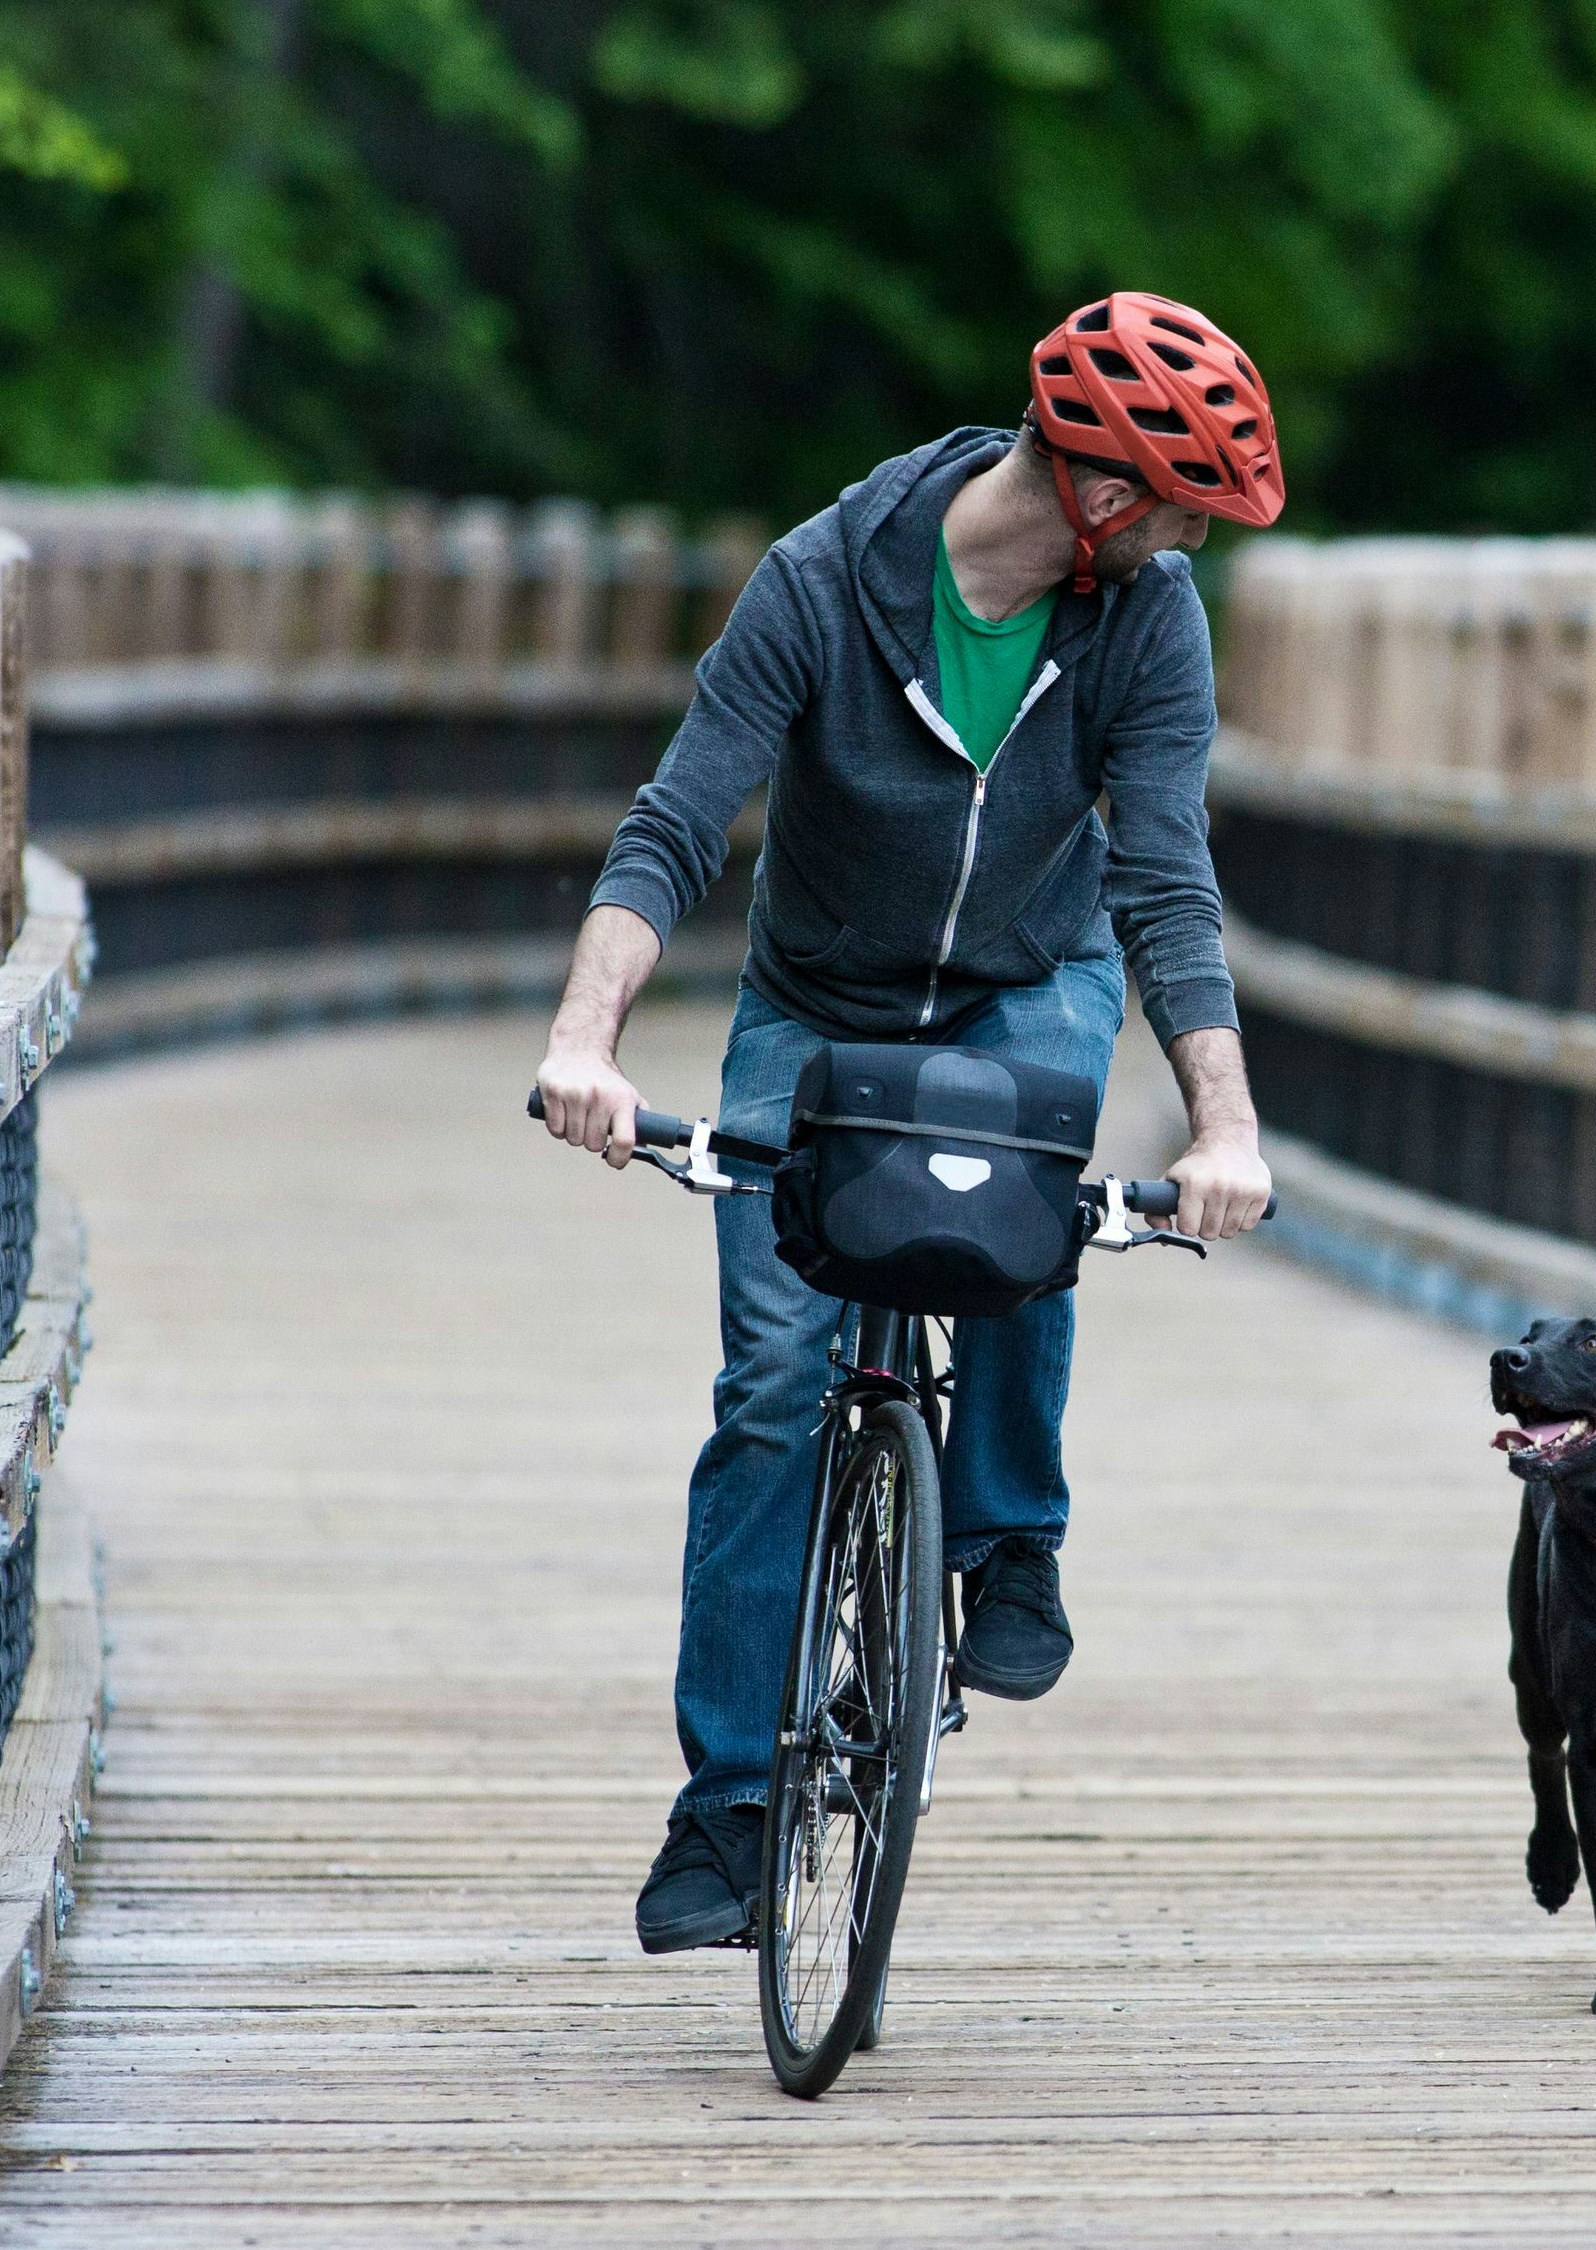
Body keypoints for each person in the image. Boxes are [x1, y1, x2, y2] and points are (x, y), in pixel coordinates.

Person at [532, 291, 1285, 1954]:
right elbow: (676, 821)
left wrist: (1224, 1126)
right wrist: (586, 1040)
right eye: (1177, 509)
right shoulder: (826, 577)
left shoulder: (1147, 621)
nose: (1188, 546)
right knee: (775, 1381)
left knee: (1033, 1191)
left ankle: (1011, 1533)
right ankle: (730, 1801)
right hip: (819, 999)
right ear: (1096, 488)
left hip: (1029, 970)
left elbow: (1165, 878)